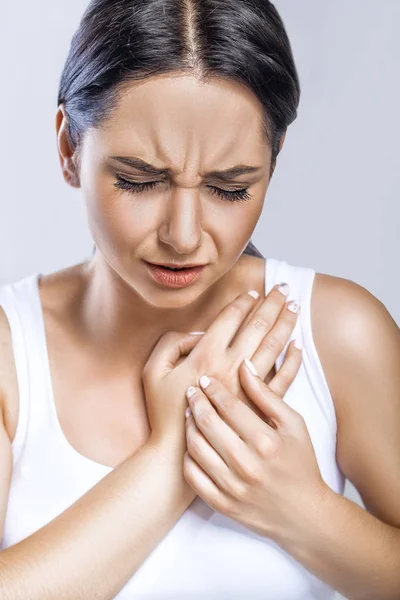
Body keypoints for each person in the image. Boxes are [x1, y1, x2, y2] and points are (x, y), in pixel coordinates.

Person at [0, 0, 399, 598]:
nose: (183, 236)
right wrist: (169, 462)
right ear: (68, 147)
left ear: (275, 156)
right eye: (140, 180)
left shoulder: (338, 334)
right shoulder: (11, 356)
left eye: (229, 187)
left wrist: (303, 509)